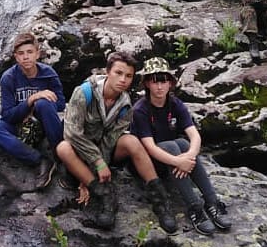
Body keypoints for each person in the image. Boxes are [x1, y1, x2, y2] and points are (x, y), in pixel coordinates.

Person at [56, 51, 177, 233]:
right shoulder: (83, 93)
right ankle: (105, 195)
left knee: (131, 141)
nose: (123, 80)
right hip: (80, 150)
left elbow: (111, 140)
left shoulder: (126, 104)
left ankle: (161, 201)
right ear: (107, 71)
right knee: (63, 148)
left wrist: (101, 166)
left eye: (128, 76)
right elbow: (72, 133)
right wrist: (95, 163)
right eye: (118, 73)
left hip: (104, 153)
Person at [132, 57, 231, 235]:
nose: (159, 86)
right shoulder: (141, 109)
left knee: (184, 143)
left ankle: (212, 202)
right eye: (154, 82)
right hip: (149, 165)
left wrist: (189, 157)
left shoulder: (175, 104)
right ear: (147, 84)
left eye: (163, 80)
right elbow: (149, 147)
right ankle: (195, 207)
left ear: (170, 83)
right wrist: (179, 162)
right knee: (171, 145)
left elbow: (194, 135)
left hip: (172, 159)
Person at [0, 32, 65, 190]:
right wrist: (30, 100)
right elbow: (7, 115)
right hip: (19, 125)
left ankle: (58, 155)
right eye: (21, 54)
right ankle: (39, 160)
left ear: (37, 53)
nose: (25, 57)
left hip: (44, 124)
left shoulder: (48, 74)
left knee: (43, 104)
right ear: (15, 57)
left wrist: (38, 105)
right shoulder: (8, 78)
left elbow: (61, 104)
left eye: (29, 52)